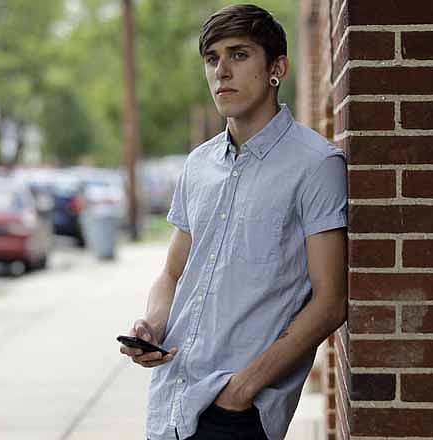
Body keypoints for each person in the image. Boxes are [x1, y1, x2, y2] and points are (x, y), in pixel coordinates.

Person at [119, 4, 348, 440]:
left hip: (237, 414)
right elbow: (172, 273)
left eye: (239, 55)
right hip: (171, 400)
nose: (221, 71)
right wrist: (152, 325)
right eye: (212, 59)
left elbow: (330, 301)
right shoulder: (198, 164)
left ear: (277, 67)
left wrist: (242, 389)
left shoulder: (316, 165)